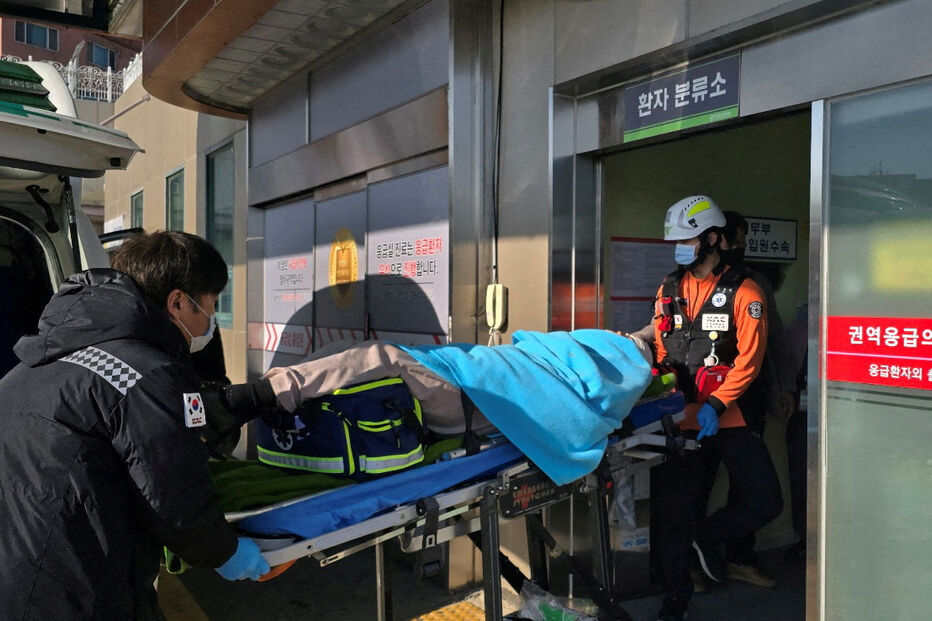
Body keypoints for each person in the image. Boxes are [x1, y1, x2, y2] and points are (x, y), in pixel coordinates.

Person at [0, 231, 269, 620]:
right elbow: (172, 495)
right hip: (76, 592)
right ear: (178, 302)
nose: (211, 321)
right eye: (211, 305)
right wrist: (224, 552)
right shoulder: (148, 374)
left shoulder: (44, 359)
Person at [649, 195, 782, 621]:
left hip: (727, 416)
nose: (680, 248)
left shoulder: (745, 291)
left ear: (711, 238)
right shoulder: (669, 289)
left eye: (687, 240)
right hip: (678, 419)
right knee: (674, 516)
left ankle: (708, 536)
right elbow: (660, 348)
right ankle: (675, 602)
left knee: (765, 500)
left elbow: (750, 360)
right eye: (676, 241)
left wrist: (718, 403)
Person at [691, 210, 795, 588]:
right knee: (696, 483)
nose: (741, 245)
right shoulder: (685, 284)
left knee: (747, 487)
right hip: (698, 403)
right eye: (737, 238)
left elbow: (773, 342)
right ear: (718, 239)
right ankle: (691, 565)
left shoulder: (751, 284)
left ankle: (736, 557)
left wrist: (784, 387)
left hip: (744, 402)